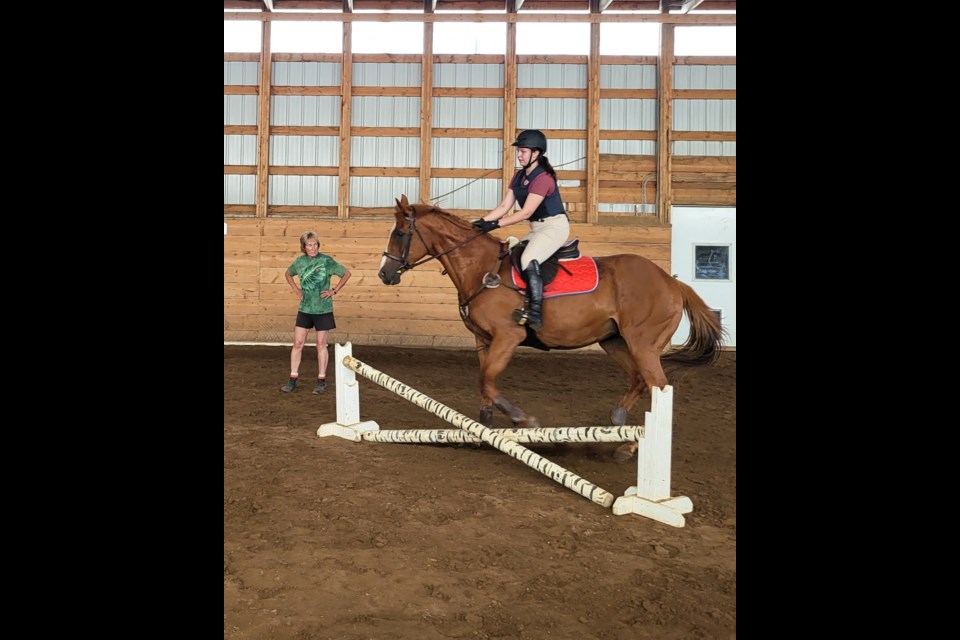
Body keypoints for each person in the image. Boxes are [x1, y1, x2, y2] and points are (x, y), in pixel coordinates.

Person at [471, 129, 569, 331]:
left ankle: (535, 312)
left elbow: (525, 212)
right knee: (512, 256)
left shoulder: (543, 178)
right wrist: (481, 222)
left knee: (527, 259)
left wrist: (496, 224)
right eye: (519, 151)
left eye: (523, 151)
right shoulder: (518, 177)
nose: (519, 154)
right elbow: (504, 206)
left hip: (554, 226)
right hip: (537, 227)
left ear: (536, 153)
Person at [280, 231, 351, 394]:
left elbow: (346, 273)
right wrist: (296, 289)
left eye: (315, 244)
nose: (312, 248)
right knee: (298, 343)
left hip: (323, 309)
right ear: (304, 247)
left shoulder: (327, 261)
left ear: (318, 245)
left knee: (321, 344)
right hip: (305, 309)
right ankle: (293, 379)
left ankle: (321, 380)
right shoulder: (299, 262)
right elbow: (288, 274)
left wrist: (334, 290)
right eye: (309, 245)